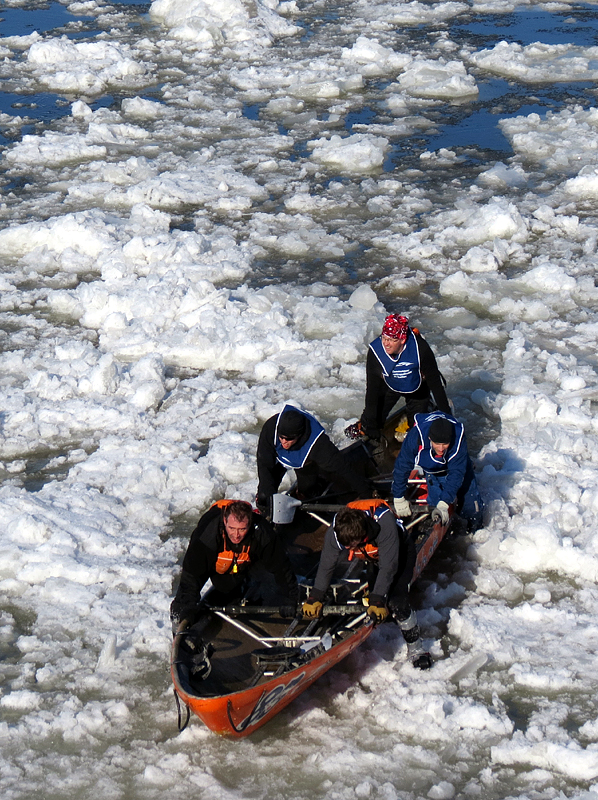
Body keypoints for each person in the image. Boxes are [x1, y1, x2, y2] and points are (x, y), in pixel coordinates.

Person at [301, 502, 432, 670]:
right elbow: (326, 565)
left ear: (361, 536)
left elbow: (389, 567)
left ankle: (417, 650)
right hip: (373, 558)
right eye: (344, 545)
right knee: (374, 597)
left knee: (396, 601)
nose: (346, 549)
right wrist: (315, 596)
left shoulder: (385, 526)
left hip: (400, 555)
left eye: (349, 546)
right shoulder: (336, 531)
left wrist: (378, 600)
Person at [170, 499, 298, 625]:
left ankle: (242, 585)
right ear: (225, 521)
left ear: (250, 523)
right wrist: (188, 606)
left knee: (229, 589)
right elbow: (192, 575)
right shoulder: (206, 537)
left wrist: (291, 599)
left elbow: (282, 567)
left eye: (242, 529)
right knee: (183, 605)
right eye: (232, 528)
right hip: (211, 561)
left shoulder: (262, 532)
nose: (236, 535)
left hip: (238, 564)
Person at [348, 314, 451, 440]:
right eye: (384, 338)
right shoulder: (376, 351)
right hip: (390, 385)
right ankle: (362, 428)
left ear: (402, 340)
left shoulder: (420, 349)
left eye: (392, 340)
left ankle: (427, 407)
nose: (386, 343)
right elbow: (372, 389)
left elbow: (435, 384)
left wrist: (447, 417)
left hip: (417, 388)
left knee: (417, 431)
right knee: (372, 420)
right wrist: (370, 424)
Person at [256, 404, 373, 515]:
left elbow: (343, 468)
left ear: (298, 435)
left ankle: (312, 492)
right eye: (281, 437)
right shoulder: (270, 429)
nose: (284, 442)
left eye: (289, 438)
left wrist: (366, 493)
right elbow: (264, 464)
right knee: (264, 494)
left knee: (307, 489)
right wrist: (266, 497)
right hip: (277, 456)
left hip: (305, 458)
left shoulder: (319, 445)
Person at [392, 411, 484, 533]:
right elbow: (402, 467)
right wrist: (398, 496)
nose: (441, 448)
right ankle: (445, 532)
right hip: (432, 471)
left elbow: (457, 473)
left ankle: (474, 529)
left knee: (471, 508)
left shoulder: (458, 439)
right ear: (430, 438)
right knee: (435, 509)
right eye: (437, 444)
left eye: (445, 444)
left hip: (457, 467)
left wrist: (445, 502)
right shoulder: (415, 438)